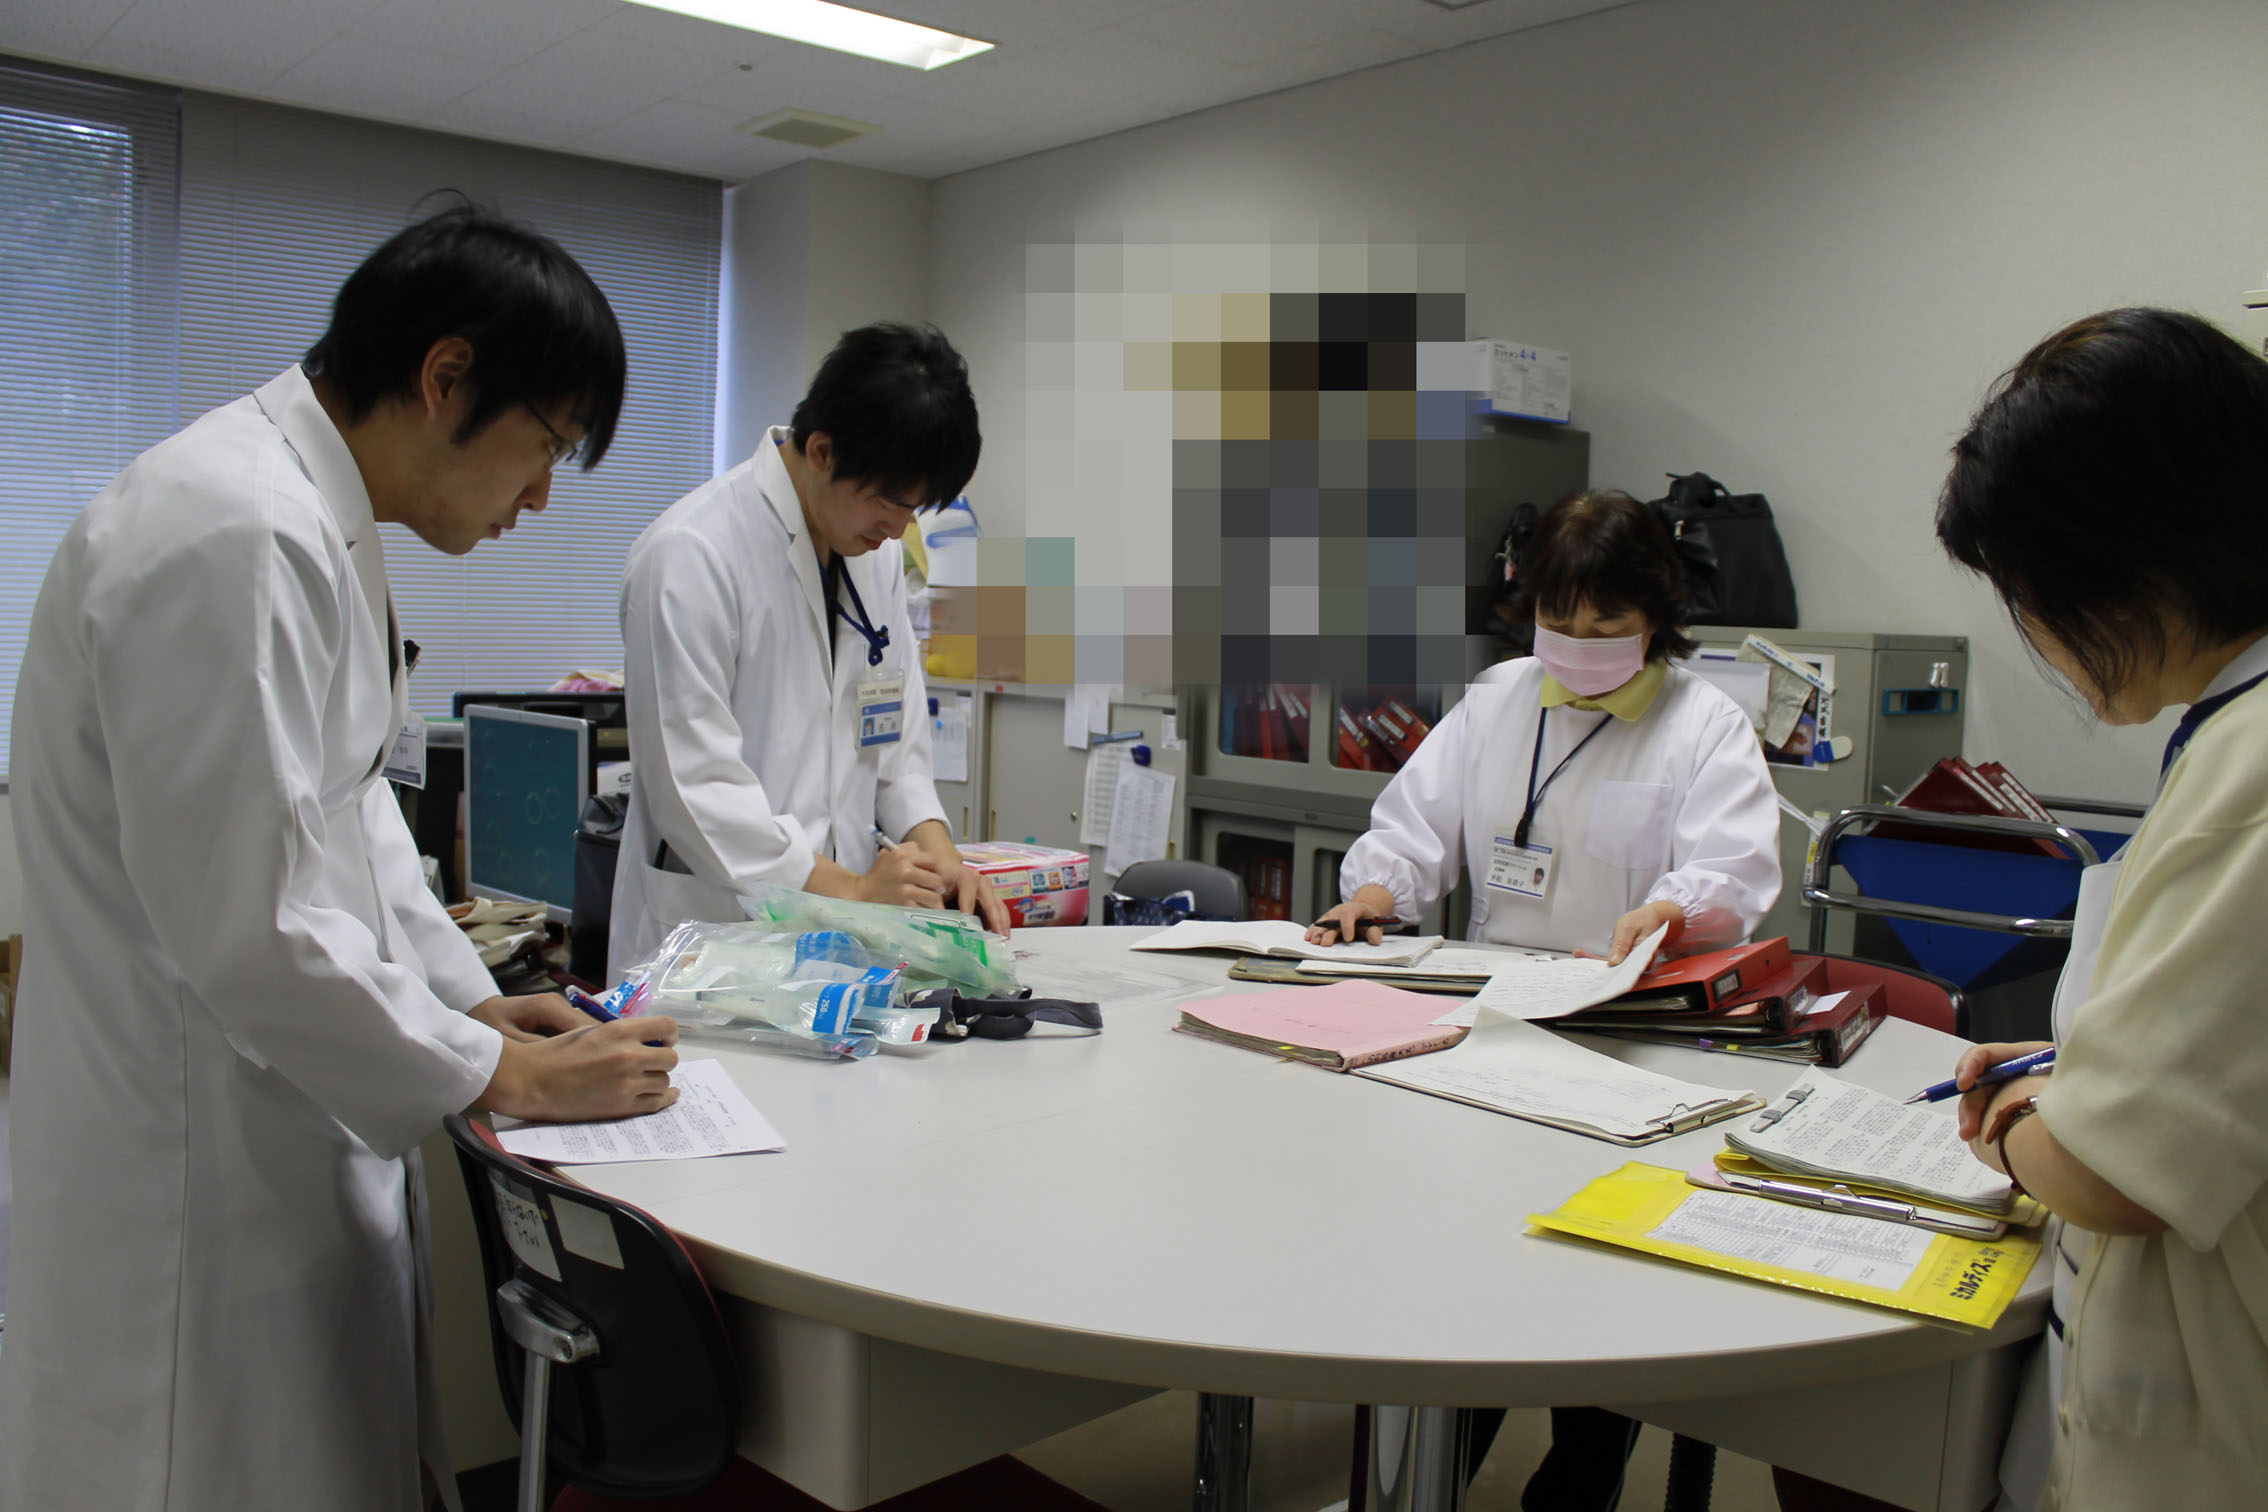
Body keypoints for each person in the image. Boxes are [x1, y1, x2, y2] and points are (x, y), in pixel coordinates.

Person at [0, 206, 680, 1512]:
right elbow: (249, 924)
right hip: (190, 1173)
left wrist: (468, 1003)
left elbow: (353, 813)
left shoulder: (313, 518)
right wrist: (499, 1073)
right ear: (445, 378)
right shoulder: (233, 532)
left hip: (275, 1133)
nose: (542, 495)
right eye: (546, 445)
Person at [1310, 488, 1781, 1507]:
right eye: (1558, 619)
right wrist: (1379, 890)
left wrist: (1672, 907)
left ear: (1656, 612)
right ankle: (1430, 1471)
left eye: (1606, 624)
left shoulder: (1703, 724)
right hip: (1493, 1018)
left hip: (1628, 1034)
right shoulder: (1499, 699)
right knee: (1466, 1261)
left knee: (1599, 1274)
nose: (1578, 644)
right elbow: (1416, 823)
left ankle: (1575, 1485)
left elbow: (1735, 869)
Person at [1933, 307, 2268, 1509]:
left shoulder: (2252, 768)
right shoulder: (2232, 734)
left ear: (2122, 565)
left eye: (2027, 591)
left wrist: (2012, 1116)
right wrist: (2073, 1073)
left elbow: (2111, 1172)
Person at [610, 322, 1008, 980]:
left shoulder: (873, 557)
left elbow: (895, 751)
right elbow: (696, 791)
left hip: (841, 947)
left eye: (914, 510)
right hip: (711, 944)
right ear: (822, 450)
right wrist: (851, 891)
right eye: (890, 502)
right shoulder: (692, 554)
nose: (897, 531)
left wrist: (943, 862)